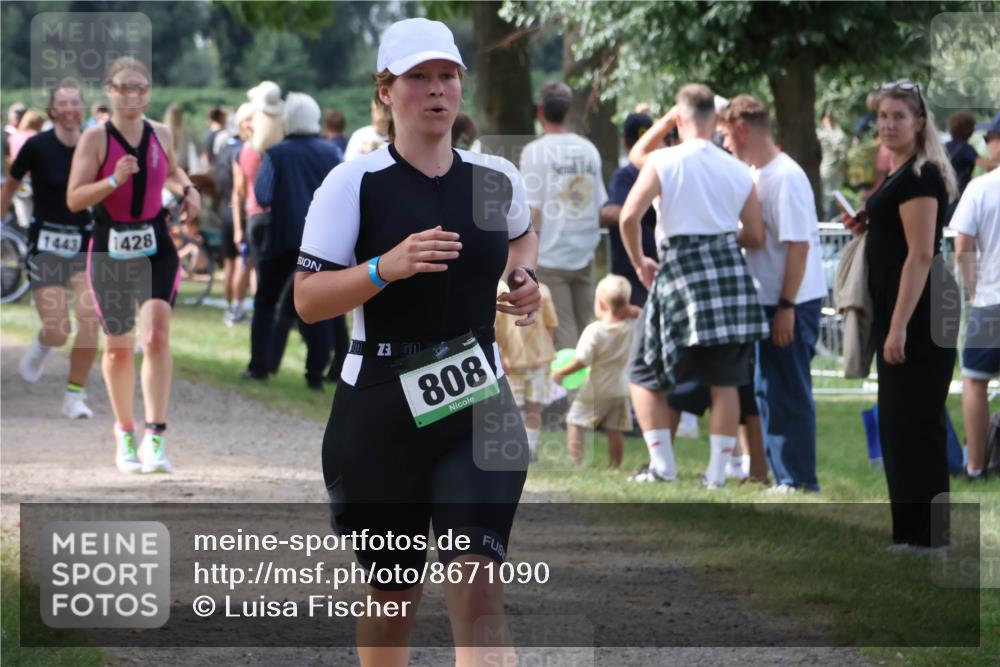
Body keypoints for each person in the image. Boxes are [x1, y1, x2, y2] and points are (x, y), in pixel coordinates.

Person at [294, 18, 540, 665]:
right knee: (392, 595)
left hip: (478, 405)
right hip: (379, 411)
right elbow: (308, 298)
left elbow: (520, 234)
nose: (436, 90)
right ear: (386, 91)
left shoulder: (493, 178)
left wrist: (524, 275)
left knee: (478, 582)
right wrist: (384, 267)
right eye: (418, 78)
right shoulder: (354, 183)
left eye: (448, 76)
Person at [621, 83, 767, 488]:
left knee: (643, 371)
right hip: (727, 273)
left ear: (679, 119)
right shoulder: (738, 169)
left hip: (677, 271)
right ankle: (717, 475)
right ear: (718, 120)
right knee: (726, 381)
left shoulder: (664, 160)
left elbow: (628, 217)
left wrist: (638, 262)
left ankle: (663, 466)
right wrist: (718, 240)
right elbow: (755, 235)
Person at [67, 56, 202, 474]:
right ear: (109, 91)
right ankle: (124, 431)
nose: (132, 95)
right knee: (118, 349)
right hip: (109, 248)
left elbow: (174, 173)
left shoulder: (161, 133)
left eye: (140, 87)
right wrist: (113, 181)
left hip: (155, 245)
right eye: (124, 87)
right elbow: (74, 199)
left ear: (149, 92)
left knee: (157, 336)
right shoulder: (95, 139)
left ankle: (155, 436)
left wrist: (190, 190)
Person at [843, 80, 959, 551]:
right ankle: (911, 531)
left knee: (917, 421)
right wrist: (868, 223)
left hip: (921, 311)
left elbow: (921, 255)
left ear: (919, 122)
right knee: (897, 419)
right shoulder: (900, 172)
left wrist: (898, 328)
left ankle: (930, 536)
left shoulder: (921, 175)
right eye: (883, 117)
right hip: (906, 306)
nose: (888, 125)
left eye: (898, 116)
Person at [720, 94, 827, 493]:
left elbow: (798, 246)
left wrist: (786, 306)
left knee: (788, 391)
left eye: (728, 135)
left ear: (743, 130)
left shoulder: (786, 176)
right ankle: (785, 474)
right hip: (771, 301)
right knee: (768, 389)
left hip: (791, 303)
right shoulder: (758, 174)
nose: (726, 144)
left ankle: (798, 479)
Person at [0, 82, 100, 419]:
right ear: (53, 110)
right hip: (46, 245)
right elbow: (11, 184)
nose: (70, 109)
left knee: (90, 318)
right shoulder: (37, 146)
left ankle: (75, 395)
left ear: (82, 108)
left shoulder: (95, 145)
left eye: (76, 102)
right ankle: (44, 343)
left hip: (85, 244)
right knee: (59, 331)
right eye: (63, 103)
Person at [250, 92, 342, 390]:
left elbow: (262, 195)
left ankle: (260, 365)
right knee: (322, 306)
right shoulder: (331, 154)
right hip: (321, 241)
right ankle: (316, 372)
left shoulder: (276, 154)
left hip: (282, 237)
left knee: (266, 301)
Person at [520, 80, 607, 350]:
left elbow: (531, 211)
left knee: (563, 332)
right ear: (568, 111)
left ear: (539, 111)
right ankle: (592, 389)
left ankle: (573, 392)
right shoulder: (588, 149)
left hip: (551, 253)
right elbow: (599, 203)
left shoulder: (534, 151)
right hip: (584, 250)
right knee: (588, 325)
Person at [951, 112, 1000, 480]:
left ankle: (976, 465)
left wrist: (972, 288)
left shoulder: (981, 189)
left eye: (990, 138)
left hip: (990, 300)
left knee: (975, 380)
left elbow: (963, 244)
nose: (986, 145)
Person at [552, 274, 637, 468]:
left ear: (600, 303)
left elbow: (581, 361)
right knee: (615, 429)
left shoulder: (595, 330)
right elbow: (641, 315)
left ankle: (575, 462)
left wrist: (560, 374)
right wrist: (629, 310)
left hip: (596, 388)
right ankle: (615, 466)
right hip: (621, 388)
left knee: (574, 421)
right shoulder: (629, 328)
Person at [495, 278, 558, 462]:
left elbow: (549, 325)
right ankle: (517, 447)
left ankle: (529, 449)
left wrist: (549, 351)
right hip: (513, 362)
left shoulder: (542, 290)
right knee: (518, 408)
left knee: (530, 407)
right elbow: (494, 329)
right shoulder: (499, 290)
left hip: (534, 360)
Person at [600, 112, 659, 307]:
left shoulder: (625, 175)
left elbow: (618, 213)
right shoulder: (662, 169)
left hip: (635, 269)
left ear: (624, 137)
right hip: (644, 266)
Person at [218, 102, 253, 325]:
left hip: (226, 211)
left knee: (230, 264)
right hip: (240, 212)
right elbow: (238, 190)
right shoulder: (244, 151)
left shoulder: (224, 149)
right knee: (244, 263)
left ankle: (230, 308)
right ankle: (236, 310)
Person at [946, 111, 997, 201]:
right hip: (957, 195)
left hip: (944, 192)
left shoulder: (945, 146)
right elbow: (987, 165)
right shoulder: (965, 148)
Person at [817, 108, 849, 220]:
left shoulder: (823, 134)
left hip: (827, 171)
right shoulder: (840, 135)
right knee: (836, 198)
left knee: (828, 200)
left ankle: (829, 223)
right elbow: (843, 156)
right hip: (836, 171)